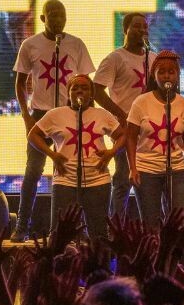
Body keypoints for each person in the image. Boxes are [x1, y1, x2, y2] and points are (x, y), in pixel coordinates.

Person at [13, 0, 95, 239]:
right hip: (41, 115)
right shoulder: (30, 45)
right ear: (43, 18)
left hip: (71, 114)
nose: (59, 19)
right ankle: (22, 227)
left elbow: (85, 82)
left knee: (73, 172)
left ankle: (73, 230)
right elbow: (19, 83)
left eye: (62, 15)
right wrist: (27, 117)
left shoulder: (76, 44)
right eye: (53, 15)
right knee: (33, 172)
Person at [27, 74, 126, 244]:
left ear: (92, 94)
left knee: (99, 233)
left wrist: (111, 153)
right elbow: (33, 135)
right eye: (75, 88)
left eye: (85, 88)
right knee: (59, 234)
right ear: (69, 93)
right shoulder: (55, 114)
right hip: (65, 180)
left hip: (98, 181)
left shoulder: (102, 114)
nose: (80, 91)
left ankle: (98, 268)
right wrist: (52, 155)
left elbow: (123, 136)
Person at [124, 51, 184, 229]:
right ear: (154, 76)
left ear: (178, 75)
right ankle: (155, 256)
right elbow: (131, 137)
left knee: (182, 219)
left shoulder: (183, 104)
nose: (167, 76)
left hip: (176, 169)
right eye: (162, 72)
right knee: (151, 223)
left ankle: (180, 257)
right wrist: (132, 168)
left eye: (171, 72)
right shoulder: (141, 102)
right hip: (146, 169)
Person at [92, 12, 148, 218]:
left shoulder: (153, 58)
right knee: (123, 179)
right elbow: (96, 90)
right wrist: (120, 114)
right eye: (136, 26)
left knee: (147, 179)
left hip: (149, 129)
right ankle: (115, 227)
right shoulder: (115, 58)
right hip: (124, 128)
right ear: (125, 30)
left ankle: (151, 227)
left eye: (145, 26)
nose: (142, 30)